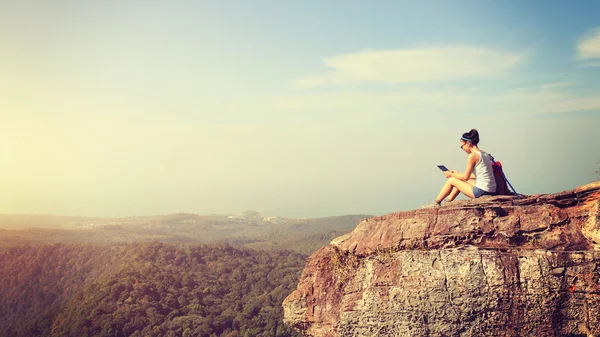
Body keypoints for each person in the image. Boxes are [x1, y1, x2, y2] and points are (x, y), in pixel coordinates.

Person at [423, 129, 497, 208]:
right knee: (458, 179)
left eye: (462, 146)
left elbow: (465, 177)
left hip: (481, 191)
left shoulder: (472, 156)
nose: (463, 149)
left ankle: (436, 203)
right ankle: (447, 202)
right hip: (491, 189)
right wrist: (457, 174)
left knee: (451, 180)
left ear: (468, 143)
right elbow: (476, 175)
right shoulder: (484, 154)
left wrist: (450, 174)